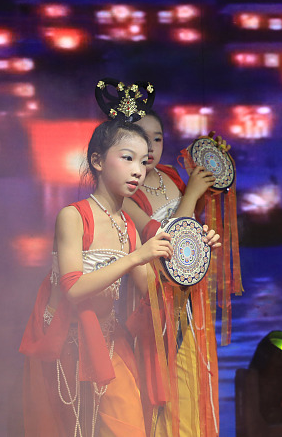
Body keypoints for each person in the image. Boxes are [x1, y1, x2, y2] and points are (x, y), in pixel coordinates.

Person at [19, 118, 174, 436]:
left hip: (107, 341)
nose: (138, 170)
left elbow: (151, 292)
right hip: (66, 341)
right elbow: (74, 288)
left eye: (143, 162)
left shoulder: (128, 226)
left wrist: (192, 255)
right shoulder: (73, 216)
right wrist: (136, 257)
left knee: (129, 427)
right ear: (97, 161)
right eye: (127, 158)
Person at [123, 109, 220, 436]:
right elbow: (169, 244)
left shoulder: (169, 174)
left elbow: (194, 221)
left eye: (158, 138)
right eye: (141, 139)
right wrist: (191, 193)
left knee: (194, 376)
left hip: (189, 291)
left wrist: (210, 171)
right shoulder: (127, 194)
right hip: (156, 296)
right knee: (168, 381)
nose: (150, 147)